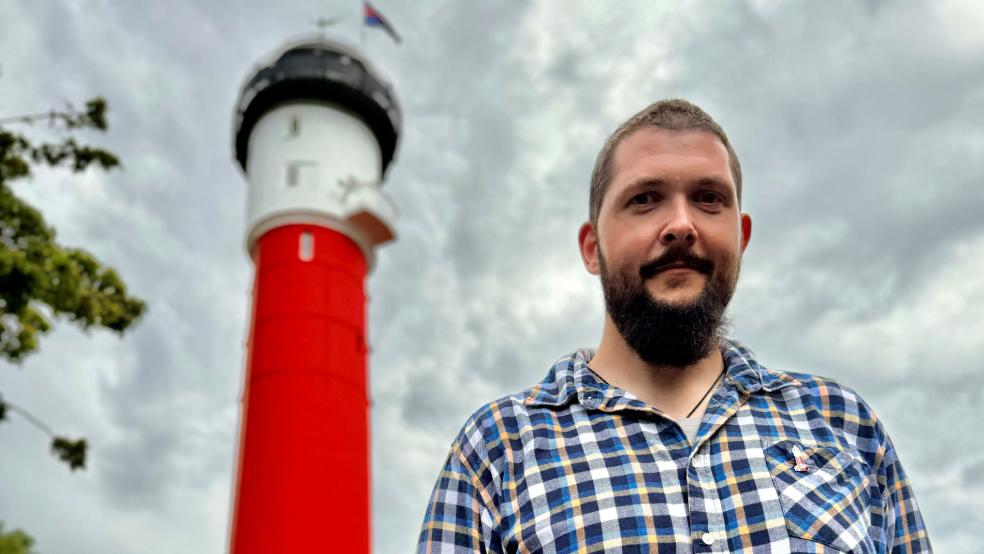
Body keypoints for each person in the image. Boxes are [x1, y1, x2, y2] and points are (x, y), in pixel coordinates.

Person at [417, 99, 931, 553]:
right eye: (644, 199)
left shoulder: (842, 423)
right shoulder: (499, 447)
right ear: (592, 248)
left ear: (741, 236)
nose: (681, 224)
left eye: (709, 198)